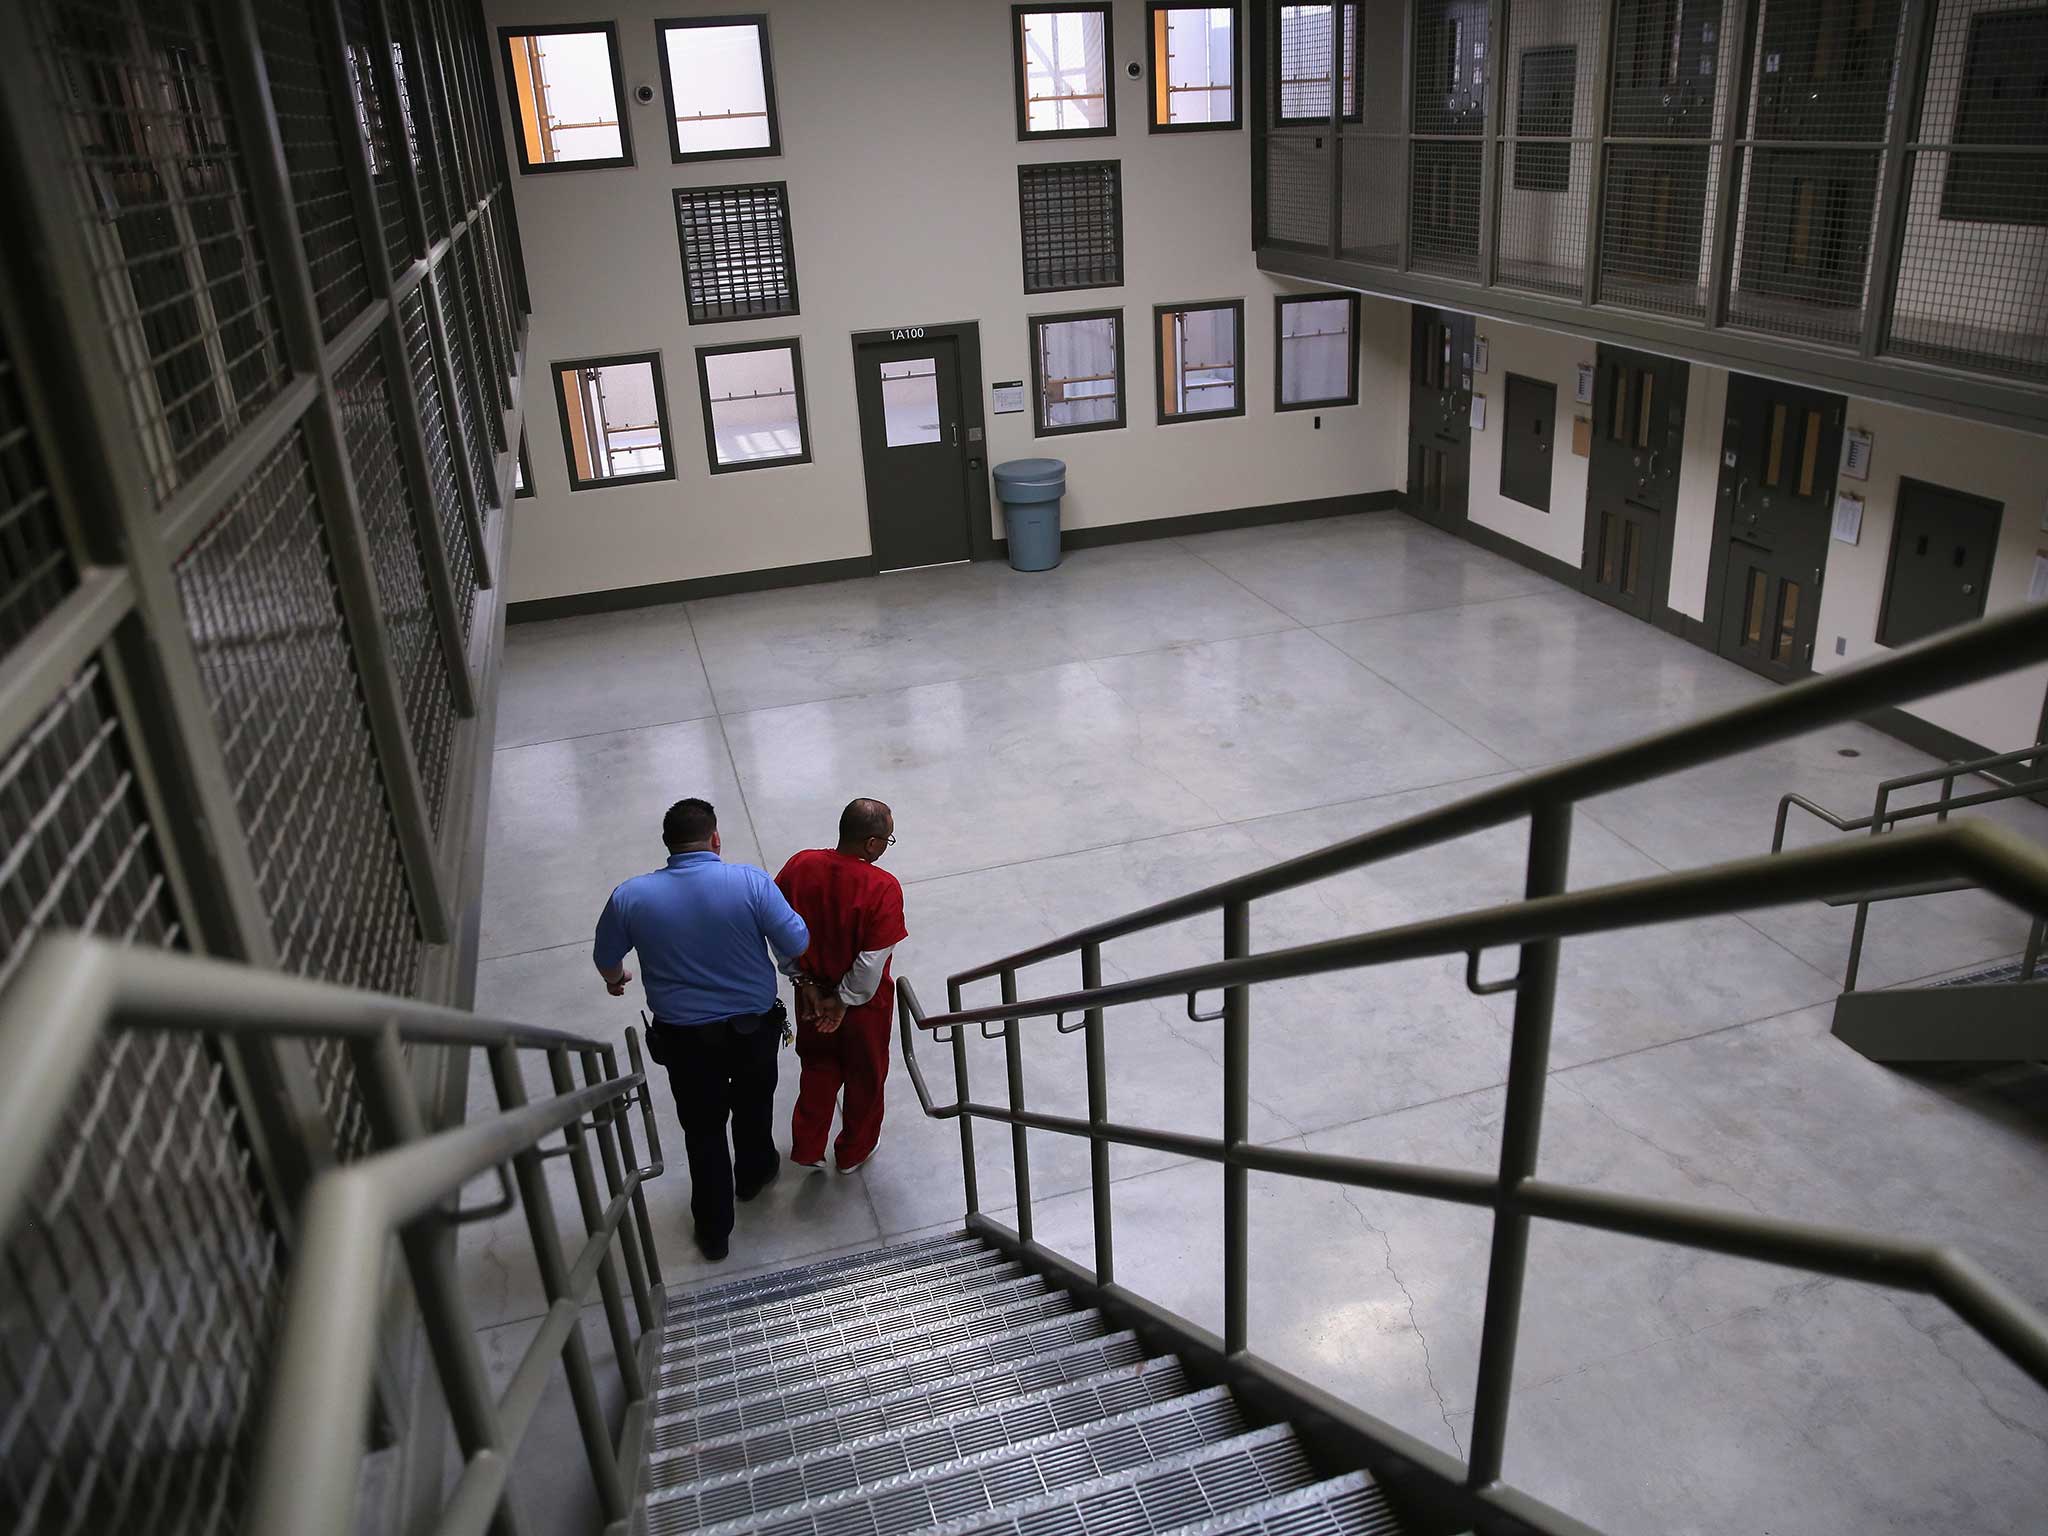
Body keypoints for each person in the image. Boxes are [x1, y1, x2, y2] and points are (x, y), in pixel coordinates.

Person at [593, 797, 807, 1262]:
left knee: (703, 1129)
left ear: (668, 846)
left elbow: (605, 957)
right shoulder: (749, 882)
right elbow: (796, 941)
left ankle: (714, 1230)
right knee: (755, 1103)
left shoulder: (631, 895)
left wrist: (616, 981)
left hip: (685, 1041)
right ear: (715, 839)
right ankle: (753, 1174)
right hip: (752, 1030)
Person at [774, 799, 908, 1174]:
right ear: (871, 843)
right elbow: (871, 960)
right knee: (865, 1075)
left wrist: (803, 981)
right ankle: (852, 1152)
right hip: (863, 1008)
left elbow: (778, 929)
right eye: (887, 839)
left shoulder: (800, 865)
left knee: (817, 1065)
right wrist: (843, 1002)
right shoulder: (882, 887)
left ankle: (808, 1148)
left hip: (811, 994)